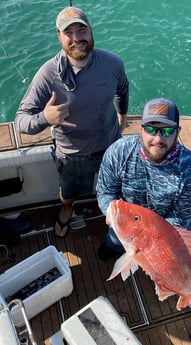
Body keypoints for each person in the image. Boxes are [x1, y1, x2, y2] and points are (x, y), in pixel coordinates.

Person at [96, 98, 191, 344]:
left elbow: (181, 215)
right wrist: (111, 213)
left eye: (167, 130)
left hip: (163, 232)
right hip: (126, 227)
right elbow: (105, 192)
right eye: (150, 129)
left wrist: (157, 252)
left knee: (188, 277)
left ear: (177, 132)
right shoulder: (118, 152)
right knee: (111, 243)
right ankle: (114, 245)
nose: (157, 138)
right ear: (140, 128)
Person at [15, 7, 129, 237]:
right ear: (59, 37)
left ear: (91, 31)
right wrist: (45, 118)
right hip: (72, 154)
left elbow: (123, 89)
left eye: (81, 29)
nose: (76, 38)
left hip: (111, 145)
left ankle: (116, 216)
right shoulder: (48, 74)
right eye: (69, 33)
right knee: (68, 194)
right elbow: (21, 121)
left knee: (115, 188)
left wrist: (122, 116)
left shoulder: (113, 63)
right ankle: (67, 209)